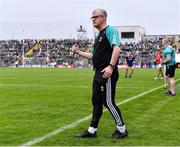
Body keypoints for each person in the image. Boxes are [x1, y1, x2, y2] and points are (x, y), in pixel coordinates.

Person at [72, 8, 128, 139]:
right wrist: (78, 52)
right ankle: (92, 130)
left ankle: (122, 130)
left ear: (103, 18)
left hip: (106, 72)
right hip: (98, 73)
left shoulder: (110, 31)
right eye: (92, 17)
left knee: (108, 102)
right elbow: (93, 55)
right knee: (96, 101)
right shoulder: (99, 36)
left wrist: (111, 66)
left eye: (96, 17)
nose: (93, 19)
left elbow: (117, 48)